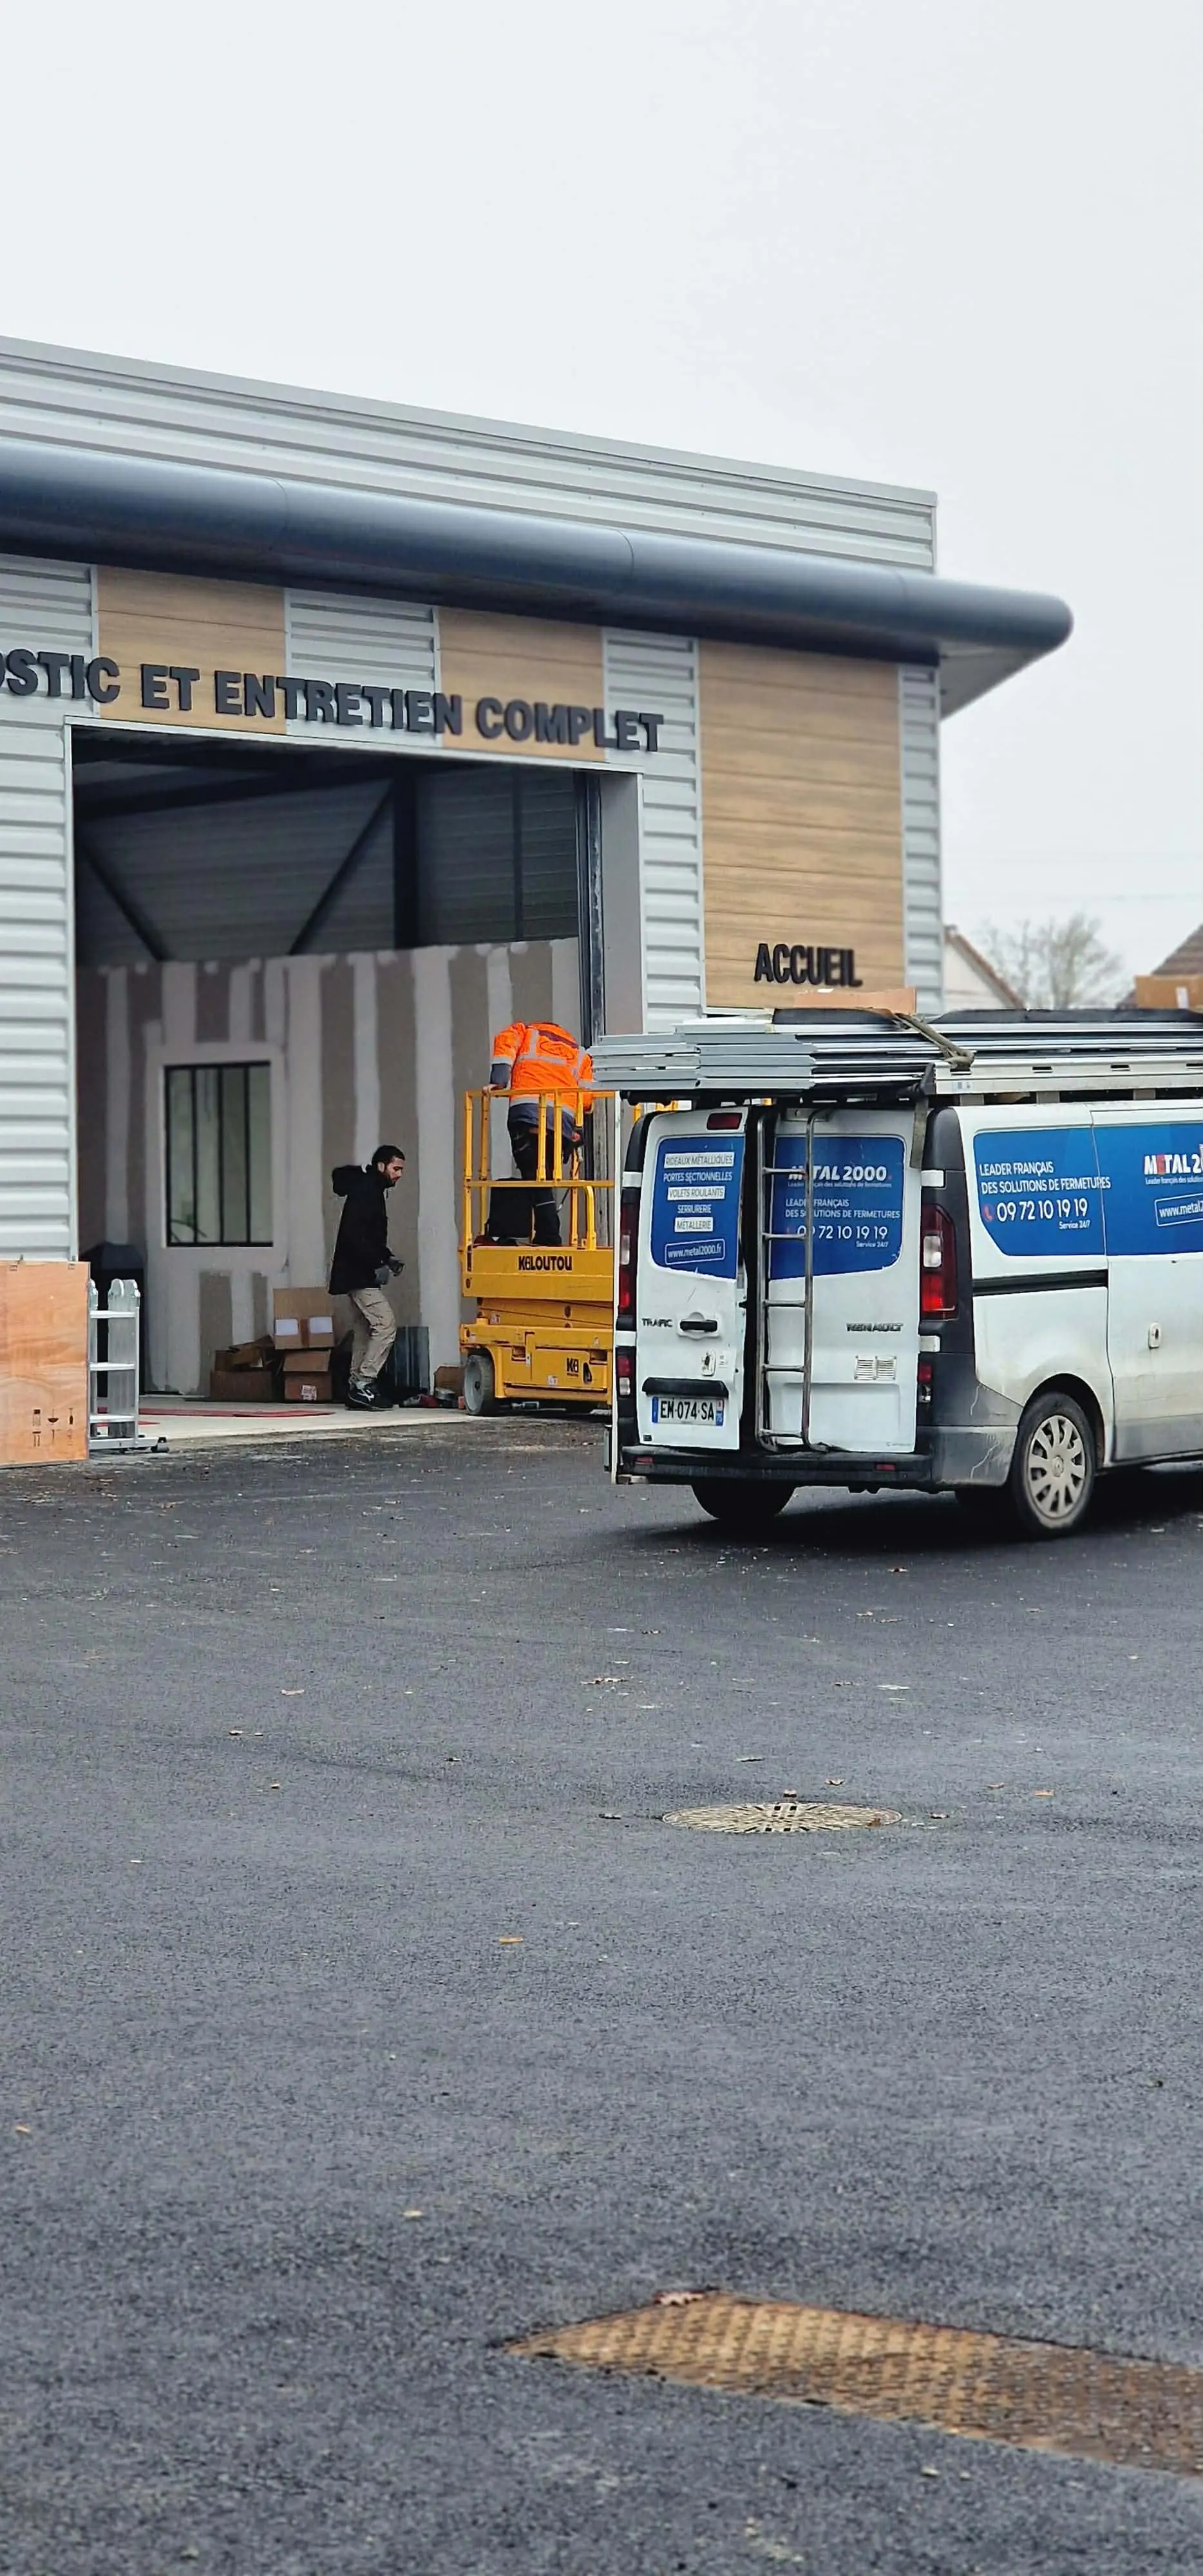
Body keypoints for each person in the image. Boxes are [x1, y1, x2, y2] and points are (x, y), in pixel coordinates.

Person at [484, 1020, 594, 1245]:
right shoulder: (579, 1053)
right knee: (541, 1178)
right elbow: (588, 1101)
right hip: (561, 1127)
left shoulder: (526, 1032)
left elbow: (505, 1044)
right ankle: (546, 1233)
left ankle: (550, 1235)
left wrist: (499, 1081)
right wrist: (577, 1130)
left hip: (528, 1117)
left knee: (535, 1178)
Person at [329, 1146, 405, 1408]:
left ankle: (356, 1386)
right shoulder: (368, 1192)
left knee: (364, 1328)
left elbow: (366, 1236)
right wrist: (377, 1262)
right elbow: (357, 1238)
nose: (399, 1175)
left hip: (356, 1273)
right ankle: (364, 1381)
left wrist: (386, 1258)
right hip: (359, 1274)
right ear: (382, 1166)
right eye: (396, 1169)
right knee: (386, 1325)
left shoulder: (368, 1188)